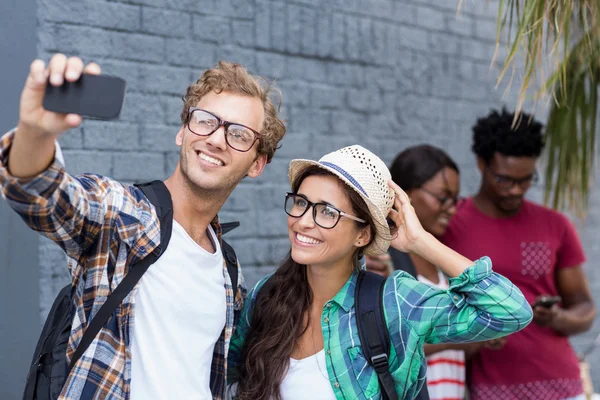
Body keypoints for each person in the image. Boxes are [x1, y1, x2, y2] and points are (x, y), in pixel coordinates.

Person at [0, 54, 286, 399]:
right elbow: (45, 195)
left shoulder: (227, 270)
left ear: (257, 163)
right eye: (205, 121)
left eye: (239, 134)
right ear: (183, 131)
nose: (215, 138)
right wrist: (34, 133)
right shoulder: (127, 218)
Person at [227, 145, 533, 400]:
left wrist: (421, 242)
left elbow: (510, 311)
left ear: (362, 235)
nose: (304, 221)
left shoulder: (393, 303)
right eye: (301, 203)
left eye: (327, 212)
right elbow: (215, 372)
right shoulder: (266, 297)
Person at [442, 108, 596, 400]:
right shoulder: (450, 225)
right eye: (504, 180)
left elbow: (585, 308)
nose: (515, 190)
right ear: (481, 164)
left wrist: (557, 317)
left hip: (561, 385)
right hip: (489, 388)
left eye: (526, 180)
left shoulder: (555, 225)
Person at [366, 144, 476, 400]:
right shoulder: (383, 258)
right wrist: (466, 334)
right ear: (407, 194)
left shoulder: (440, 258)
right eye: (442, 197)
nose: (451, 208)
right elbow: (392, 343)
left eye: (455, 199)